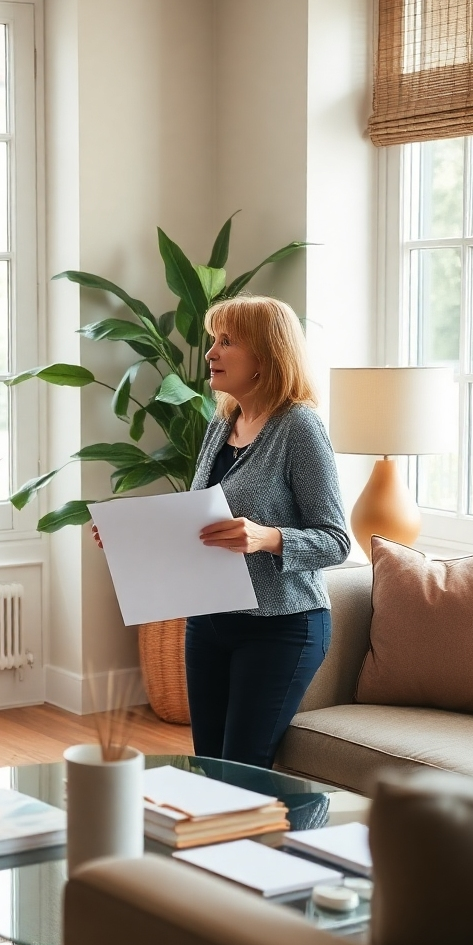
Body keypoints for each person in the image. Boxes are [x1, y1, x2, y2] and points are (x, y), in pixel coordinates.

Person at [185, 294, 350, 768]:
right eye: (213, 341)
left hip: (281, 628)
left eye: (227, 342)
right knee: (209, 769)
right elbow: (201, 519)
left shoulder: (299, 426)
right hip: (209, 622)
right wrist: (133, 534)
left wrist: (268, 537)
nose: (211, 353)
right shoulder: (222, 424)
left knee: (242, 772)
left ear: (266, 355)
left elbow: (336, 540)